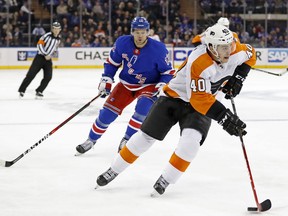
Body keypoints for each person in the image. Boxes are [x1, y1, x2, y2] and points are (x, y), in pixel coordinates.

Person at [95, 23, 257, 196]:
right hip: (174, 98)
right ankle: (114, 169)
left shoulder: (236, 50)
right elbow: (199, 99)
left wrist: (238, 78)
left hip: (201, 103)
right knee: (145, 137)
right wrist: (224, 117)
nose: (228, 50)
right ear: (211, 47)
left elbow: (251, 54)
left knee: (191, 143)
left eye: (230, 45)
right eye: (223, 47)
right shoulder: (199, 61)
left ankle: (166, 179)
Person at [75, 17, 175, 155]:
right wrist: (107, 79)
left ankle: (127, 140)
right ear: (132, 31)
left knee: (142, 109)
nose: (140, 35)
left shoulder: (158, 49)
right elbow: (112, 63)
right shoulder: (122, 42)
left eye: (143, 32)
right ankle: (90, 140)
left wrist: (162, 84)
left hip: (149, 85)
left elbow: (168, 71)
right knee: (106, 114)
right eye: (137, 32)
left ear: (148, 32)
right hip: (126, 84)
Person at [18, 22, 61, 99]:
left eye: (58, 29)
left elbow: (55, 49)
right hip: (40, 58)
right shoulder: (46, 36)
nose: (56, 30)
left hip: (48, 60)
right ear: (52, 29)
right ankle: (22, 90)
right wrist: (45, 54)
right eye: (55, 28)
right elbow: (39, 44)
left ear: (60, 29)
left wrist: (50, 55)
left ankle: (39, 91)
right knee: (30, 75)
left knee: (48, 77)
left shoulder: (58, 39)